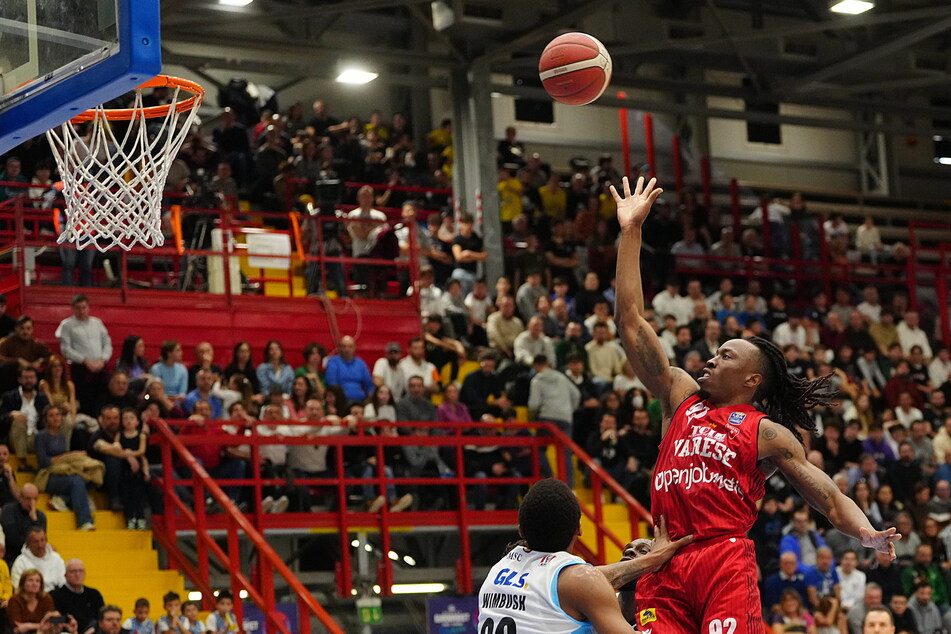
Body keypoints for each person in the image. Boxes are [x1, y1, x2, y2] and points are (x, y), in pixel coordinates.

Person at [610, 175, 900, 633]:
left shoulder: (764, 431)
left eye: (725, 355)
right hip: (663, 559)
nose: (710, 357)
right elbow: (629, 322)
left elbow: (827, 495)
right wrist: (631, 231)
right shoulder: (680, 395)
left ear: (751, 379)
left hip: (723, 559)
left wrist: (866, 532)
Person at [477, 478, 692, 634]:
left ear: (521, 530)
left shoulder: (500, 568)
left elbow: (582, 580)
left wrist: (649, 561)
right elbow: (586, 582)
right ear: (579, 529)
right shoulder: (580, 581)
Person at [35, 406, 96, 531]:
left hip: (64, 471)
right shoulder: (41, 437)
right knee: (77, 481)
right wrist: (68, 456)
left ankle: (62, 498)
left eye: (58, 414)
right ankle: (84, 521)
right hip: (48, 475)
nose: (55, 418)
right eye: (51, 415)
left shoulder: (63, 437)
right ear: (46, 419)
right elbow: (43, 462)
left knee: (91, 476)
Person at [55, 296, 111, 417]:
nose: (81, 311)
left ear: (88, 307)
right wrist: (85, 361)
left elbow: (107, 342)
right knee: (86, 400)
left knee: (103, 398)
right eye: (78, 308)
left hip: (100, 366)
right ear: (73, 309)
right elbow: (66, 349)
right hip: (81, 369)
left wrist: (103, 359)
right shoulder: (67, 325)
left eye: (84, 307)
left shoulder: (97, 323)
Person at [51, 559, 104, 634]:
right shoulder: (55, 595)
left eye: (80, 571)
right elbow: (53, 619)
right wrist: (69, 621)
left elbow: (102, 617)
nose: (77, 574)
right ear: (65, 575)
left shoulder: (94, 594)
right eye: (73, 571)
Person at [0, 485, 46, 566]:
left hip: (34, 558)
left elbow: (40, 542)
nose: (32, 503)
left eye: (35, 499)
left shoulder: (40, 517)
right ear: (20, 497)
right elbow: (13, 539)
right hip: (11, 557)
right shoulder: (9, 510)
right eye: (28, 498)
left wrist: (34, 520)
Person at [7, 568, 55, 633]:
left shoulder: (46, 598)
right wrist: (41, 626)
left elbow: (51, 622)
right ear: (22, 584)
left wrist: (28, 626)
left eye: (38, 581)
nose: (34, 584)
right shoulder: (15, 600)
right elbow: (17, 626)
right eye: (30, 580)